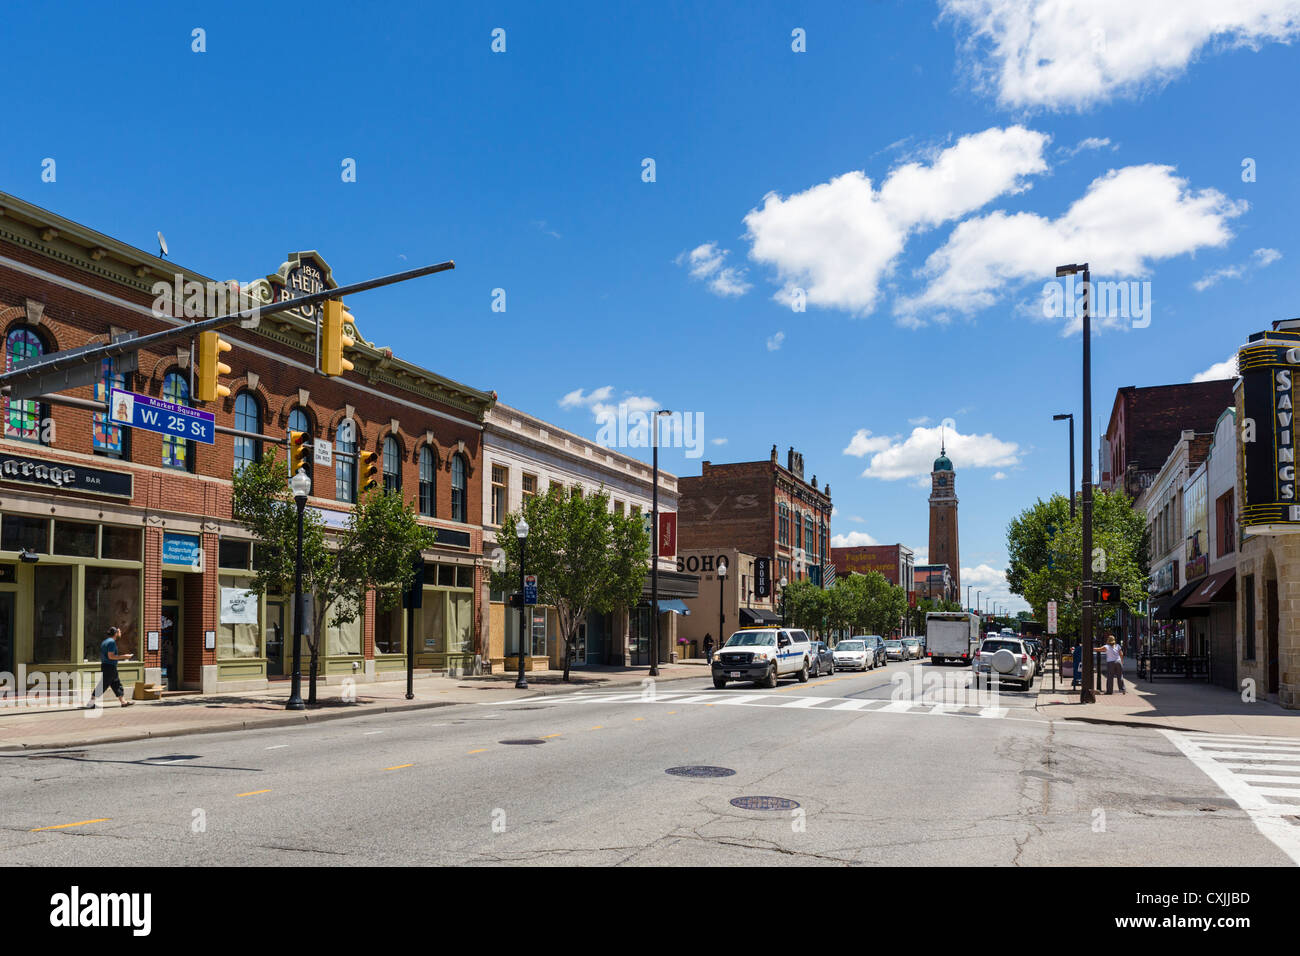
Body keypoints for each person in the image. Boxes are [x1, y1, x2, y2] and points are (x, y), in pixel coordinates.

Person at [86, 625, 134, 708]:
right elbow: (111, 656)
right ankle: (91, 703)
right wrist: (125, 657)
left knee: (116, 684)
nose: (120, 632)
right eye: (119, 631)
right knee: (103, 685)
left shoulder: (105, 641)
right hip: (109, 666)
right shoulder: (111, 642)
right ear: (115, 633)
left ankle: (123, 702)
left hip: (107, 666)